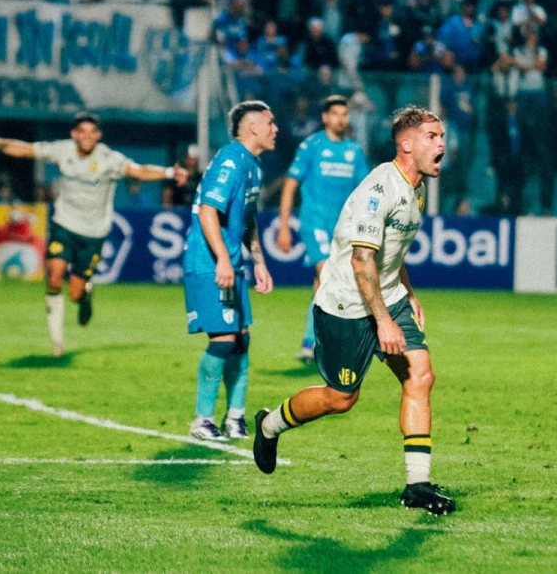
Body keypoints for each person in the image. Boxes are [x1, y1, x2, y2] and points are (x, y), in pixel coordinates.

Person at [253, 106, 455, 517]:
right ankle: (269, 424)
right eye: (432, 137)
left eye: (442, 136)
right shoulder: (379, 190)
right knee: (341, 398)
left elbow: (391, 253)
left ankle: (417, 485)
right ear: (406, 145)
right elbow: (362, 260)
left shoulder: (416, 187)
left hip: (388, 296)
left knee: (420, 375)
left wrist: (408, 294)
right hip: (346, 305)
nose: (442, 144)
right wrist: (383, 321)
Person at [0, 113, 189, 356]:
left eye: (92, 132)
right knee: (54, 276)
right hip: (64, 225)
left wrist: (169, 173)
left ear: (98, 135)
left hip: (94, 233)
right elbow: (24, 149)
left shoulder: (109, 159)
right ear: (74, 134)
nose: (87, 137)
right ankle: (57, 344)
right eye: (83, 132)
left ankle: (84, 295)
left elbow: (139, 171)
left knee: (74, 292)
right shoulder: (62, 150)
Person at [183, 101, 278, 442]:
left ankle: (235, 417)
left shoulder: (253, 165)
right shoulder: (230, 161)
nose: (276, 129)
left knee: (241, 340)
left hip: (232, 264)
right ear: (253, 127)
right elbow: (208, 210)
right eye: (270, 123)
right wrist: (223, 259)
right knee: (223, 340)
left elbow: (247, 219)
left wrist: (259, 262)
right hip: (209, 264)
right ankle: (202, 421)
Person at [276, 96, 370, 362]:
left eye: (344, 114)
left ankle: (310, 342)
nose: (341, 119)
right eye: (335, 114)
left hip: (343, 228)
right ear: (325, 118)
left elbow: (364, 191)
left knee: (322, 283)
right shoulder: (312, 146)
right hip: (314, 221)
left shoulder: (354, 151)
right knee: (328, 275)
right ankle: (333, 342)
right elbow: (290, 184)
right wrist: (283, 226)